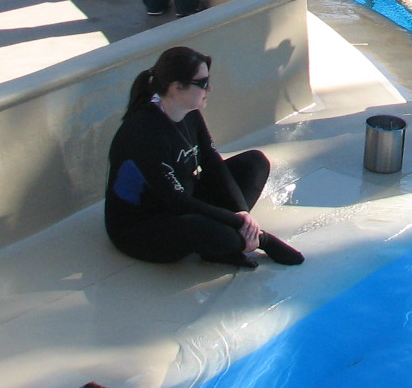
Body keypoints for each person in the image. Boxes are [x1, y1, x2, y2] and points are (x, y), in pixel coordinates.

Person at [104, 45, 304, 268]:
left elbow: (212, 162)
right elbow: (176, 201)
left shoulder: (188, 111)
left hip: (183, 198)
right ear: (176, 88)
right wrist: (252, 231)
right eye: (201, 83)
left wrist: (241, 212)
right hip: (142, 225)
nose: (209, 88)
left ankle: (232, 241)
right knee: (205, 229)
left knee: (254, 163)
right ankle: (251, 239)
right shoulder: (144, 134)